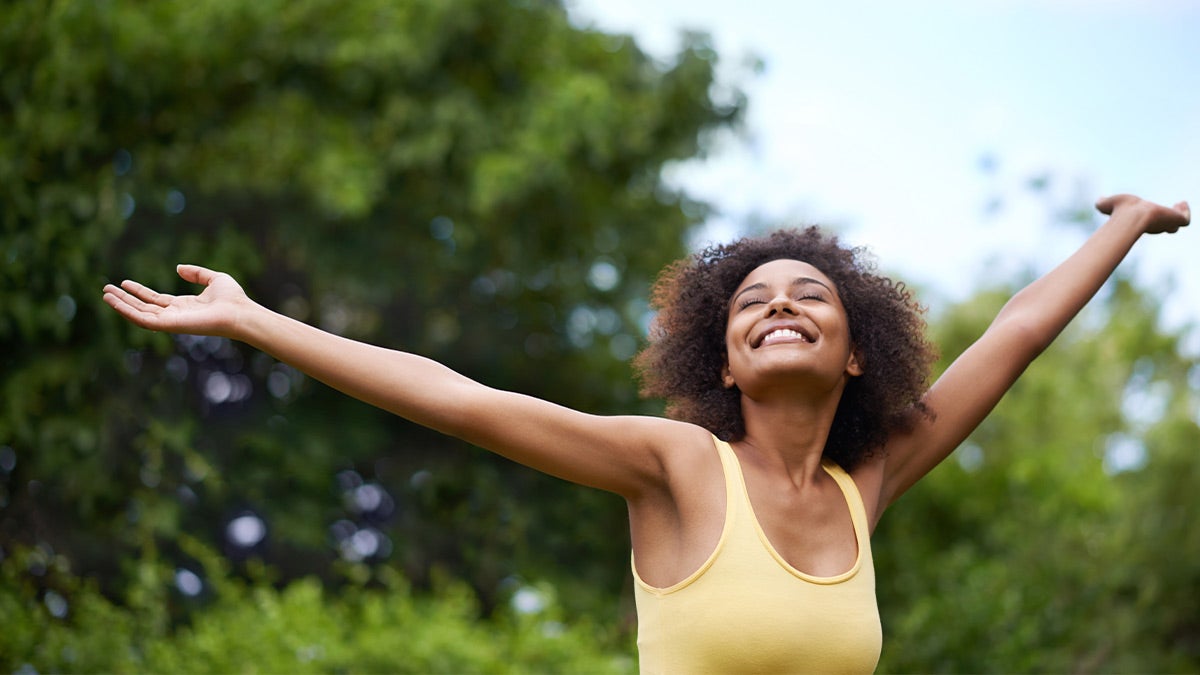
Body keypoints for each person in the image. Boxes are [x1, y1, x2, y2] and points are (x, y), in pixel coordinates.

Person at [103, 194, 1189, 673]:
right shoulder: (676, 467)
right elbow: (461, 400)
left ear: (858, 352)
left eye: (809, 295)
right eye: (752, 302)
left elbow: (1017, 333)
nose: (778, 306)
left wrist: (1128, 228)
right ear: (721, 362)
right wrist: (253, 320)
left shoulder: (870, 482)